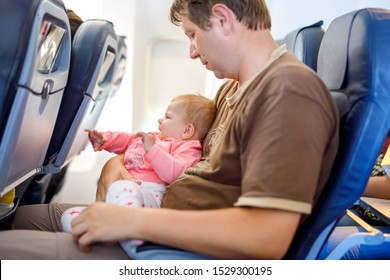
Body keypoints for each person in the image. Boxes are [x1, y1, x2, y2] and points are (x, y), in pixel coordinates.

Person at [0, 0, 339, 260]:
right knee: (21, 217)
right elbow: (175, 149)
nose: (192, 51)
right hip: (158, 217)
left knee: (5, 247)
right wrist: (116, 164)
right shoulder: (234, 89)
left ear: (222, 19)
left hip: (172, 250)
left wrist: (131, 222)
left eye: (193, 34)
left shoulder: (287, 91)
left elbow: (267, 236)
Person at [61, 93, 216, 249]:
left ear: (187, 131)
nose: (160, 120)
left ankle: (131, 236)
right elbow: (128, 140)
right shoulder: (154, 138)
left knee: (120, 187)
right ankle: (95, 236)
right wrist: (105, 139)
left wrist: (153, 149)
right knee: (71, 215)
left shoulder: (188, 148)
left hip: (149, 196)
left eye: (168, 117)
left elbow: (175, 173)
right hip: (122, 196)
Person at [319, 133, 390, 259]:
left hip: (379, 223)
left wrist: (346, 186)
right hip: (364, 213)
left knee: (319, 247)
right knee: (311, 230)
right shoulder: (378, 155)